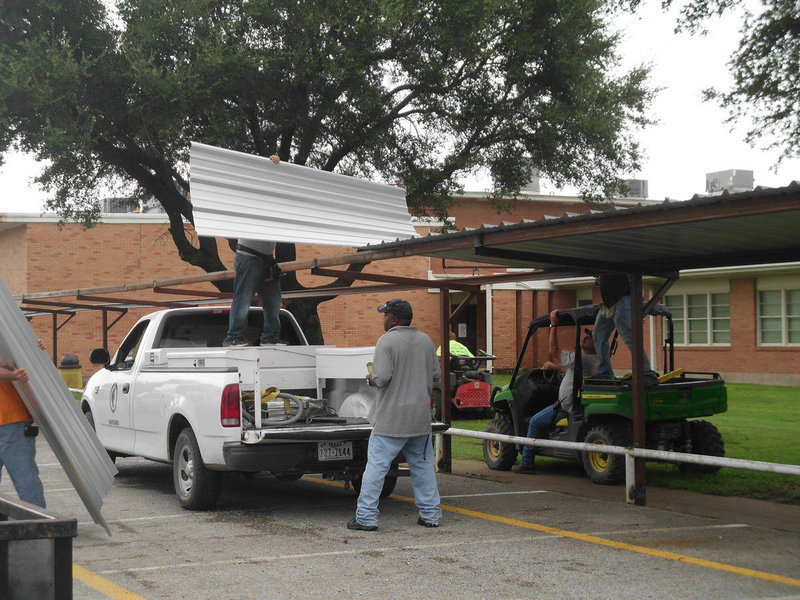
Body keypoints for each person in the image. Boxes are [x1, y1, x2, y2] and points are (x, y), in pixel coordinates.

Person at [347, 298, 442, 531]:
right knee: (423, 467)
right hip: (420, 419)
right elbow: (436, 375)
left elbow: (381, 378)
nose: (383, 318)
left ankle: (366, 517)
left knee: (376, 468)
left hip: (391, 419)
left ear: (395, 319)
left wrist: (370, 377)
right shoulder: (426, 340)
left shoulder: (386, 342)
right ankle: (430, 515)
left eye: (385, 315)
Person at [512, 310, 598, 474]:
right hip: (578, 404)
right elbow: (573, 371)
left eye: (590, 337)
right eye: (586, 335)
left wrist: (553, 324)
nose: (585, 337)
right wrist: (554, 367)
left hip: (567, 408)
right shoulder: (596, 360)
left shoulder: (582, 358)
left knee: (534, 421)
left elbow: (553, 351)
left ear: (597, 343)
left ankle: (527, 463)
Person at [223, 154, 286, 347]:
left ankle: (270, 337)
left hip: (267, 260)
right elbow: (247, 179)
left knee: (273, 301)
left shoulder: (274, 205)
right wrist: (268, 167)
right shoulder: (250, 199)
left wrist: (277, 170)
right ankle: (233, 337)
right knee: (243, 299)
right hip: (249, 257)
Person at [0, 339, 47, 507]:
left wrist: (34, 350)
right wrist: (14, 372)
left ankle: (38, 524)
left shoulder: (12, 338)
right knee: (26, 480)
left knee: (26, 481)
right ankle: (38, 524)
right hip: (12, 421)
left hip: (13, 421)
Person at [592, 273, 659, 383]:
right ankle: (605, 373)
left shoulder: (614, 258)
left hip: (623, 298)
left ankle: (646, 372)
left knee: (629, 335)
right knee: (598, 334)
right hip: (609, 302)